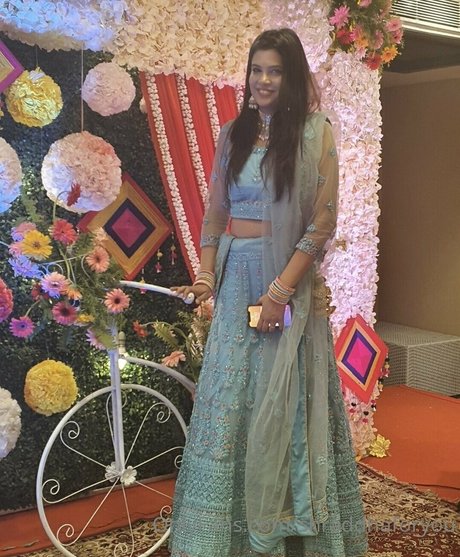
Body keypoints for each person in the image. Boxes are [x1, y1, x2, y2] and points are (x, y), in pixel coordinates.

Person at [170, 28, 368, 557]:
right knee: (234, 398)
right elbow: (215, 212)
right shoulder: (233, 133)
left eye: (275, 71)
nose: (263, 80)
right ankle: (227, 533)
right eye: (257, 69)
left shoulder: (314, 133)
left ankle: (289, 530)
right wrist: (206, 276)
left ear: (292, 76)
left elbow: (322, 222)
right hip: (237, 279)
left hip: (288, 282)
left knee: (285, 397)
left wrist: (280, 291)